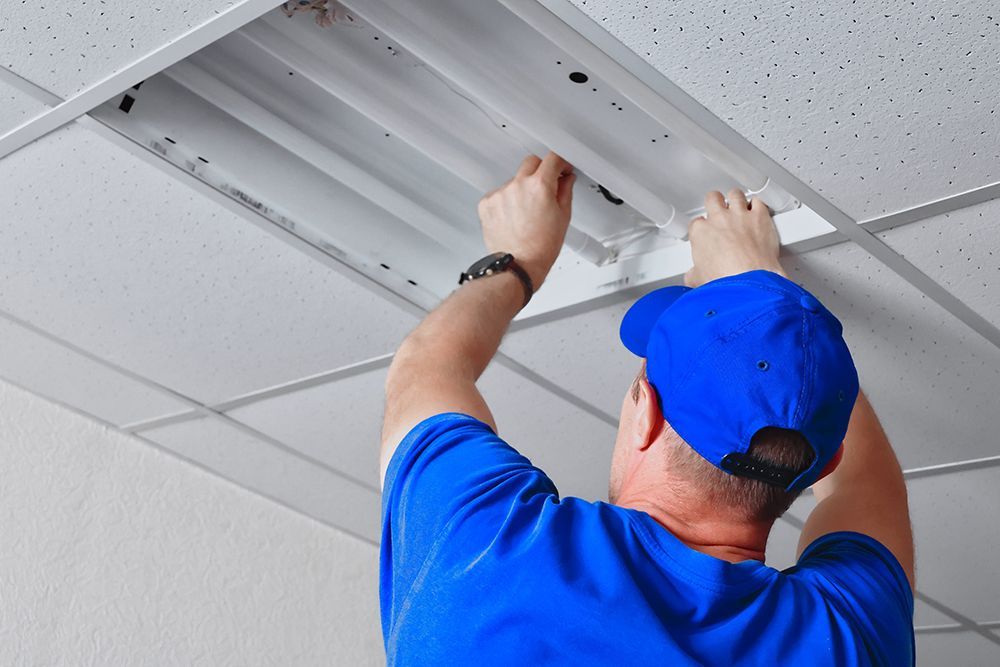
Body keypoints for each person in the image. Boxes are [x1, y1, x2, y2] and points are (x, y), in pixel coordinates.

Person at [379, 151, 915, 665]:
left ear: (646, 416)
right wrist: (767, 300)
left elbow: (425, 369)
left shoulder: (490, 552)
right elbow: (868, 485)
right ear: (824, 462)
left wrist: (519, 258)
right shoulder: (849, 638)